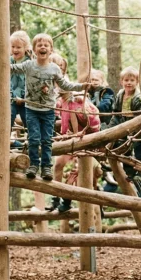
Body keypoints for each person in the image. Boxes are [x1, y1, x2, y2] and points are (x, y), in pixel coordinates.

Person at [10, 33, 89, 181]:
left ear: (51, 50)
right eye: (39, 45)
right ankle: (34, 165)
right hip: (32, 109)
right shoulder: (29, 65)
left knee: (46, 140)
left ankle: (46, 167)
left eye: (46, 45)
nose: (43, 47)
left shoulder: (54, 69)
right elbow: (12, 68)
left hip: (48, 111)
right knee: (34, 138)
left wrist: (81, 86)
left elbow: (65, 85)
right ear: (34, 50)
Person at [47, 84, 101, 213]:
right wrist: (63, 136)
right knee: (59, 164)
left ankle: (67, 201)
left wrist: (69, 136)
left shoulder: (72, 104)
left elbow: (75, 128)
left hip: (85, 139)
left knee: (78, 171)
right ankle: (56, 198)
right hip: (75, 137)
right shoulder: (64, 103)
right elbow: (65, 125)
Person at [106, 66, 141, 195]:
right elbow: (116, 114)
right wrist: (110, 130)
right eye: (126, 80)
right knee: (124, 151)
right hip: (124, 127)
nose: (129, 83)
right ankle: (132, 174)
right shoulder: (120, 95)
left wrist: (134, 133)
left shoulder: (139, 97)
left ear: (137, 82)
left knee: (138, 153)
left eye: (132, 80)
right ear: (121, 82)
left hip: (139, 130)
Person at [0, 31, 32, 148]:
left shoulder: (30, 62)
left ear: (25, 48)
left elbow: (32, 82)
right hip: (10, 98)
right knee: (7, 117)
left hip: (25, 99)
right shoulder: (7, 60)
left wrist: (25, 97)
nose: (15, 49)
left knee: (29, 120)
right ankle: (4, 142)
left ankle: (32, 143)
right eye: (12, 47)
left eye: (18, 47)